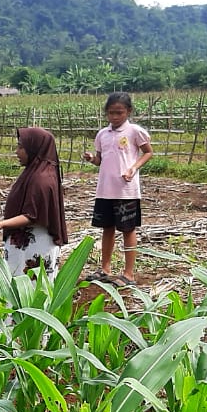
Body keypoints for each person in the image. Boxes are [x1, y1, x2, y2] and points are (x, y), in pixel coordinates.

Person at [83, 91, 153, 286]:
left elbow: (148, 152)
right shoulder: (102, 135)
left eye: (119, 113)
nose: (115, 117)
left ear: (128, 111)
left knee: (128, 229)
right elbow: (100, 160)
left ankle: (128, 273)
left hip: (126, 190)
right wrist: (91, 159)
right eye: (111, 113)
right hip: (105, 189)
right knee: (107, 228)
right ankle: (105, 268)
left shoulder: (134, 132)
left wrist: (133, 168)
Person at [0, 127, 68, 277]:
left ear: (34, 148)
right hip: (27, 245)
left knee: (31, 291)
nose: (17, 151)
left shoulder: (41, 180)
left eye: (21, 147)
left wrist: (1, 224)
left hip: (35, 247)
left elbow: (31, 216)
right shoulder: (36, 172)